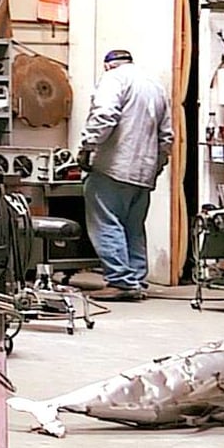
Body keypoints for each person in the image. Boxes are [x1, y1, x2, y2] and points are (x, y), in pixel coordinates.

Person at [78, 49, 174, 302]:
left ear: (107, 66)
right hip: (144, 172)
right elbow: (166, 136)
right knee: (134, 228)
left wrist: (87, 146)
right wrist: (157, 165)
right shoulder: (155, 85)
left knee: (107, 222)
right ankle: (136, 280)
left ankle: (120, 281)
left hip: (114, 167)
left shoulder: (114, 79)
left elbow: (104, 115)